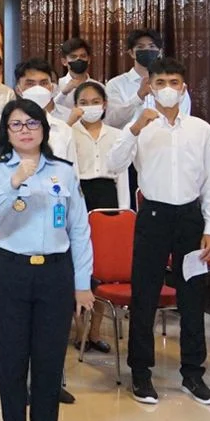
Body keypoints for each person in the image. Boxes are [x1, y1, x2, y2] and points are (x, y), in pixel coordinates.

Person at [0, 98, 95, 421]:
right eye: (17, 125)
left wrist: (82, 283)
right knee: (12, 359)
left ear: (44, 129)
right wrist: (16, 180)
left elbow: (79, 228)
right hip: (10, 269)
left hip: (55, 273)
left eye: (32, 123)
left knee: (48, 360)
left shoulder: (62, 170)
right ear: (6, 133)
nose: (25, 130)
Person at [108, 57, 210, 406]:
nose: (168, 88)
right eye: (161, 83)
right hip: (153, 215)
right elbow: (113, 165)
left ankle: (192, 374)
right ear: (150, 88)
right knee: (145, 297)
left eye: (174, 81)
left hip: (190, 217)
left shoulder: (200, 129)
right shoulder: (139, 125)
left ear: (183, 87)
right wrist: (134, 129)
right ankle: (141, 374)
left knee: (192, 297)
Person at [67, 80, 130, 354]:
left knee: (103, 270)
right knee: (77, 265)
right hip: (79, 195)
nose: (90, 107)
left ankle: (95, 332)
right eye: (84, 102)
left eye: (96, 101)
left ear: (105, 105)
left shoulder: (117, 134)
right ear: (75, 106)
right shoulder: (68, 133)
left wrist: (124, 212)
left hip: (108, 197)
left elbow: (123, 175)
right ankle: (79, 331)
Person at [105, 29, 189, 127]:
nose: (147, 50)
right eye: (140, 47)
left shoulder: (176, 86)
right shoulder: (115, 84)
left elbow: (183, 119)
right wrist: (138, 96)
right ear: (131, 53)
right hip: (129, 141)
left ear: (159, 52)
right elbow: (111, 122)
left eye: (152, 46)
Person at [52, 38, 95, 111]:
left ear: (89, 60)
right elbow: (49, 111)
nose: (78, 59)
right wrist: (63, 93)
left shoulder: (99, 87)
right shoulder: (56, 85)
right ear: (64, 61)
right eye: (73, 57)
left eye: (83, 56)